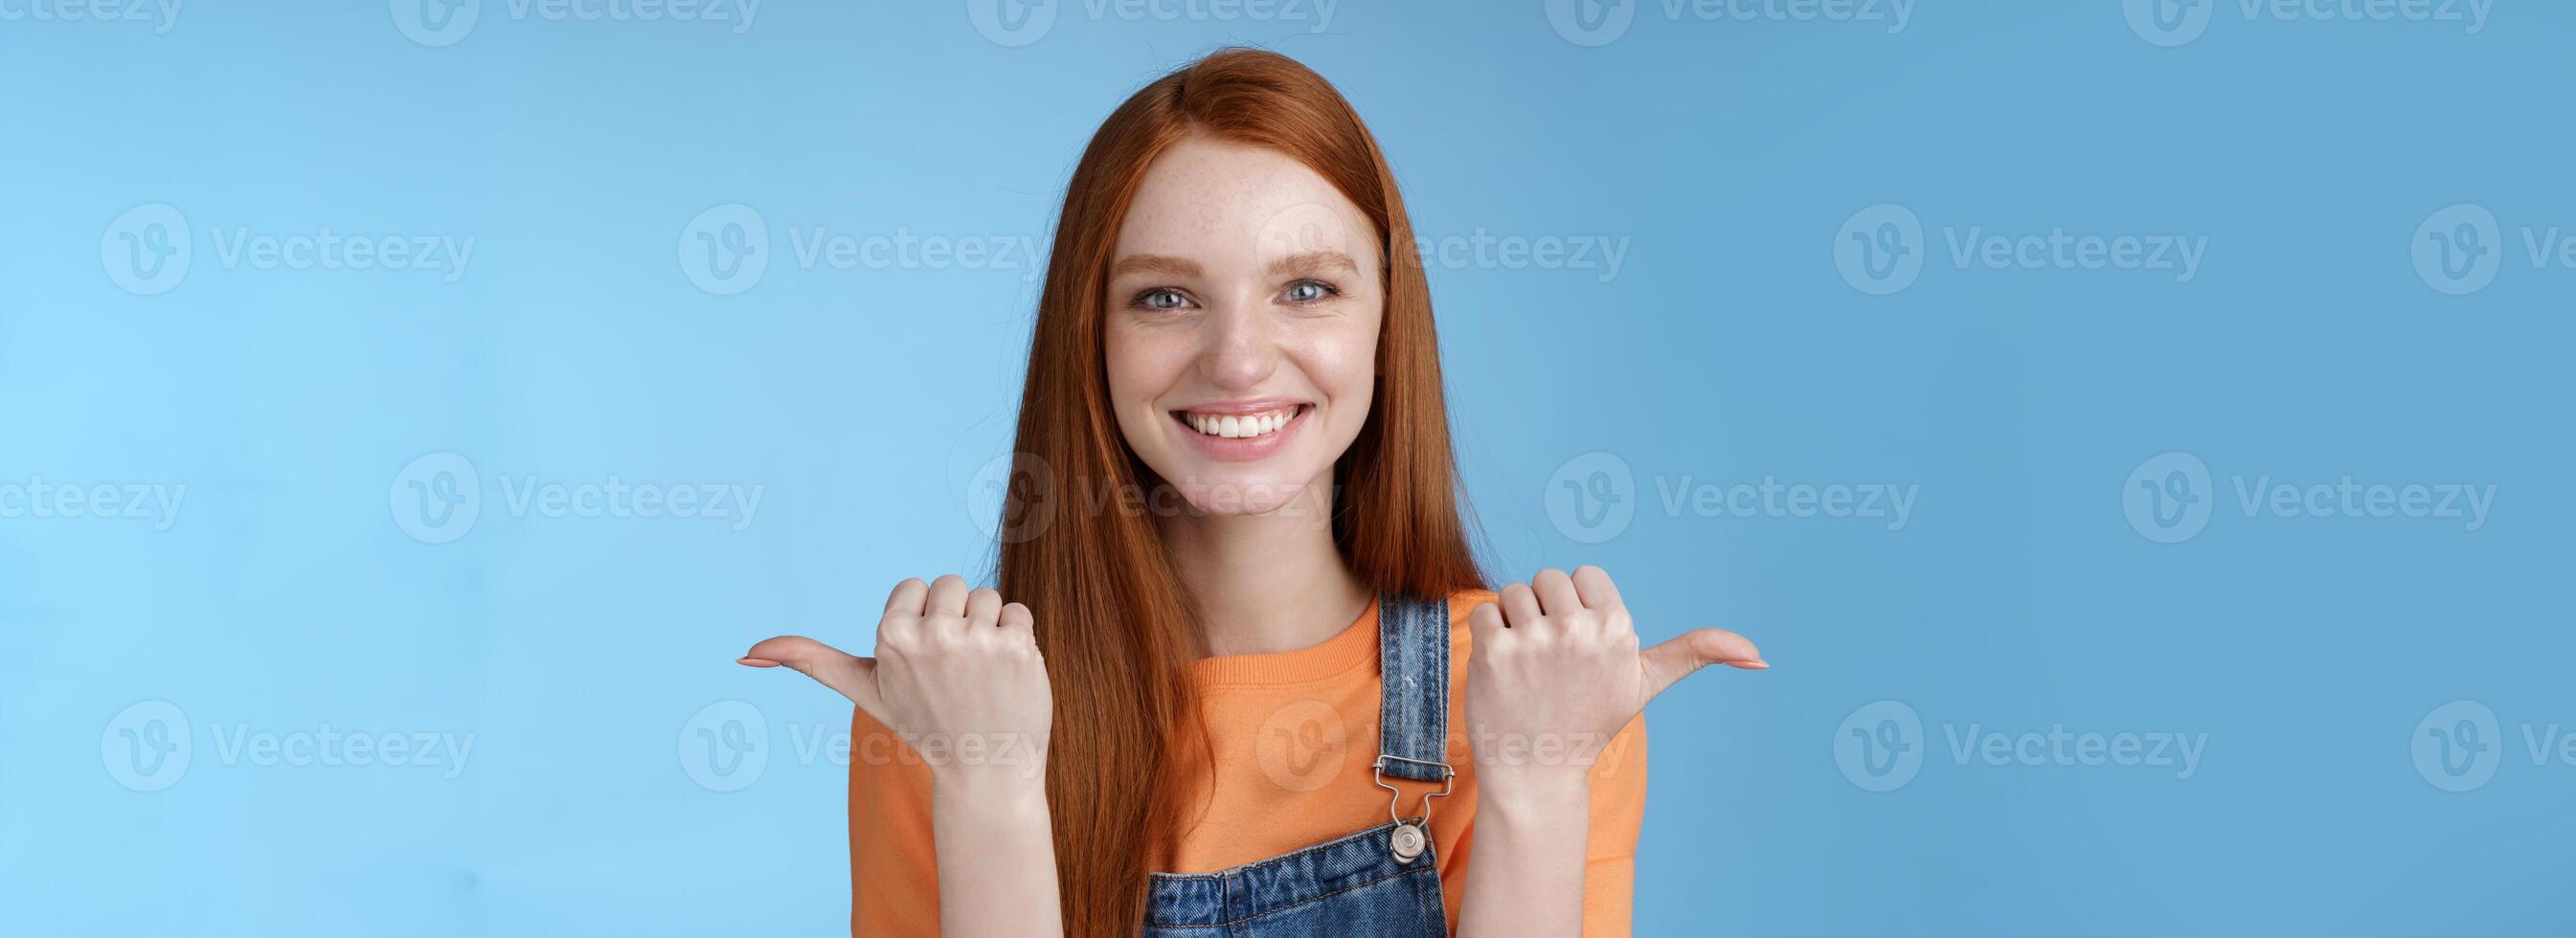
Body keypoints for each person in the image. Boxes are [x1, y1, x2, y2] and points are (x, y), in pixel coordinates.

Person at [740, 47, 1766, 937]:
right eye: (1166, 297)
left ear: (1384, 322)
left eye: (1305, 288)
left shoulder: (1534, 694)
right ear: (1088, 337)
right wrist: (987, 783)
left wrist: (1537, 785)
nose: (1236, 361)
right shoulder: (947, 707)